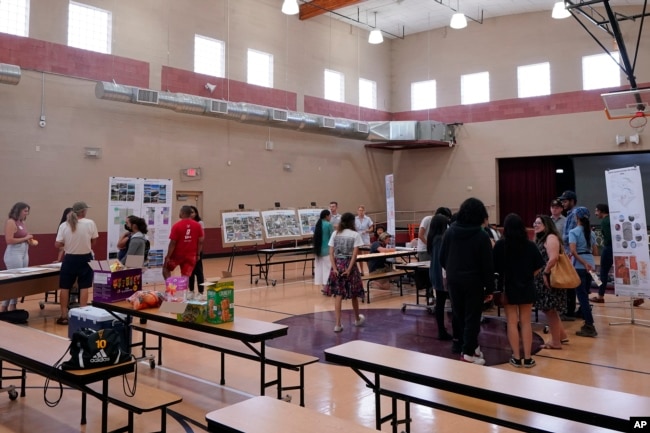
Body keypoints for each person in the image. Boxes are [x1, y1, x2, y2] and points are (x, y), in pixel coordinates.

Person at [439, 197, 494, 365]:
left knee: (459, 315)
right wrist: (490, 288)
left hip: (454, 280)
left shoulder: (450, 231)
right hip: (474, 281)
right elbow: (487, 265)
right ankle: (468, 353)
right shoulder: (481, 235)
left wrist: (452, 271)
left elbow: (442, 258)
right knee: (472, 317)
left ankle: (472, 346)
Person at [493, 213, 544, 368]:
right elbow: (539, 266)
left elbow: (495, 267)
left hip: (508, 287)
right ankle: (528, 358)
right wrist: (528, 276)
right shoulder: (530, 245)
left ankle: (516, 357)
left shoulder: (501, 245)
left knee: (512, 322)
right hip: (527, 286)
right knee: (526, 322)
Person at [54, 201, 98, 324]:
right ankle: (82, 314)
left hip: (70, 258)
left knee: (65, 287)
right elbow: (93, 241)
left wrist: (68, 243)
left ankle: (63, 315)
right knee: (84, 286)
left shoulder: (64, 225)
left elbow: (57, 244)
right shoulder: (90, 223)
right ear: (83, 211)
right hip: (85, 258)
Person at [533, 215, 569, 349]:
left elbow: (553, 258)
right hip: (544, 279)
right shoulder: (543, 238)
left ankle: (555, 342)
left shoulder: (551, 237)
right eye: (534, 223)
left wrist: (546, 273)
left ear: (546, 224)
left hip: (550, 279)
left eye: (538, 223)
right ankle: (562, 335)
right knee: (548, 309)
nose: (535, 225)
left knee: (550, 310)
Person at [327, 212, 365, 333]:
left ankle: (337, 324)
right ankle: (357, 318)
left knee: (338, 294)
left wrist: (334, 268)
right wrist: (349, 269)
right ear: (352, 222)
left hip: (337, 264)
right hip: (350, 265)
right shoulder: (355, 235)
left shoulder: (335, 233)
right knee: (354, 293)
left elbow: (331, 253)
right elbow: (355, 254)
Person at [569, 206, 599, 337]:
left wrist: (583, 263)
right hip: (590, 264)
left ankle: (589, 324)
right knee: (585, 295)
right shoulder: (591, 233)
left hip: (580, 266)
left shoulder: (573, 232)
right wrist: (589, 263)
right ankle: (586, 319)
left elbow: (573, 252)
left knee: (582, 297)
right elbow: (595, 251)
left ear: (577, 217)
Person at [3, 202, 34, 312]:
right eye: (25, 211)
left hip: (24, 252)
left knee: (20, 279)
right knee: (14, 280)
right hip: (14, 253)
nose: (27, 213)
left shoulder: (21, 222)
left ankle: (9, 306)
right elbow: (9, 240)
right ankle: (9, 306)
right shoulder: (11, 222)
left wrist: (28, 240)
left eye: (27, 211)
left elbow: (24, 236)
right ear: (18, 210)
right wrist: (25, 238)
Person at [427, 213, 453, 340]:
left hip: (435, 273)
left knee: (440, 303)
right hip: (441, 274)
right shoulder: (440, 239)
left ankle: (442, 330)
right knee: (442, 303)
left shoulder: (433, 238)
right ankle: (442, 331)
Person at [163, 205, 204, 279]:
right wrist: (198, 254)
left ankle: (170, 288)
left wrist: (168, 256)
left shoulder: (176, 226)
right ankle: (184, 290)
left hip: (177, 255)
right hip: (191, 255)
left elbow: (173, 243)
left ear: (182, 213)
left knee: (166, 269)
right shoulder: (198, 225)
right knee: (185, 275)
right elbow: (200, 241)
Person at [559, 190, 579, 321]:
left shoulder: (574, 215)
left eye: (565, 201)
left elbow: (570, 235)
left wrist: (558, 239)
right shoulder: (570, 214)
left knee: (570, 283)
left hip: (571, 253)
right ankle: (569, 309)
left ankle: (570, 311)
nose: (563, 203)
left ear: (572, 201)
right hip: (568, 252)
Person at [591, 203, 611, 304]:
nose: (595, 213)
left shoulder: (605, 222)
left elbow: (608, 238)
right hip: (616, 249)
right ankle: (637, 296)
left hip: (608, 249)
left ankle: (600, 296)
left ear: (601, 211)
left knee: (603, 273)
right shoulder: (612, 219)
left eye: (596, 211)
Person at [312, 209, 333, 294]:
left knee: (319, 269)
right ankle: (327, 287)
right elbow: (332, 238)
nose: (330, 217)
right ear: (326, 216)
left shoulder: (318, 225)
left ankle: (324, 287)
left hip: (318, 250)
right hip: (327, 250)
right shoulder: (328, 225)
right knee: (328, 269)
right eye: (329, 216)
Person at [188, 206, 206, 294]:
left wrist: (198, 253)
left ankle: (201, 292)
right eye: (190, 212)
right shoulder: (186, 223)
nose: (192, 214)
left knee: (198, 272)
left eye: (193, 212)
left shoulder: (200, 223)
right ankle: (191, 291)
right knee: (189, 272)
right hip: (188, 251)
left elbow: (201, 239)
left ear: (196, 213)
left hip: (197, 251)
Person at [354, 205, 374, 274]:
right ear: (357, 211)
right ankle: (361, 271)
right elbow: (352, 228)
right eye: (359, 210)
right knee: (359, 256)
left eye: (362, 210)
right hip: (358, 237)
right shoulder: (355, 219)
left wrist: (367, 231)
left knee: (366, 255)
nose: (361, 212)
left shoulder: (368, 219)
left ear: (364, 211)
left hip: (365, 237)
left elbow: (372, 228)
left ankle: (370, 270)